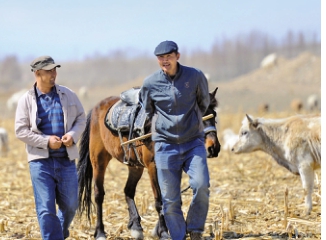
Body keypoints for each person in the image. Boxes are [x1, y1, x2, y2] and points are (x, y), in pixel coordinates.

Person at [139, 41, 210, 240]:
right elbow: (148, 110)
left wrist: (191, 123)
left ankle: (195, 229)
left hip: (193, 142)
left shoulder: (195, 76)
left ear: (177, 56)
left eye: (168, 56)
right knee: (170, 200)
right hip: (165, 145)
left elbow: (204, 103)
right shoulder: (150, 83)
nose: (164, 61)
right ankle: (178, 236)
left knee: (201, 185)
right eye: (160, 58)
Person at [15, 56, 86, 240]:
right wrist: (46, 141)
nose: (54, 74)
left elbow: (81, 118)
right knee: (46, 209)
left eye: (54, 70)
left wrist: (72, 135)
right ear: (37, 73)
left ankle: (59, 234)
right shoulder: (26, 100)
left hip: (66, 160)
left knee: (70, 206)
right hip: (40, 163)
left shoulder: (68, 94)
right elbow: (20, 131)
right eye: (49, 71)